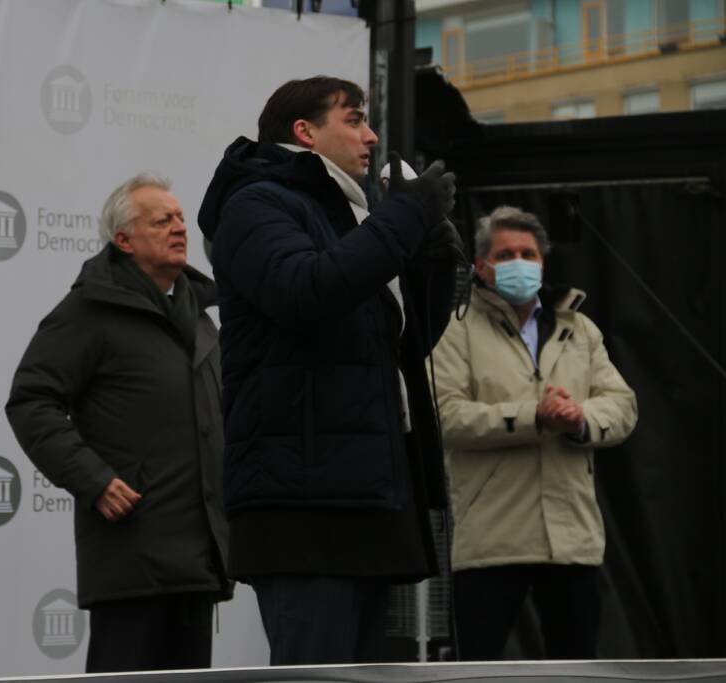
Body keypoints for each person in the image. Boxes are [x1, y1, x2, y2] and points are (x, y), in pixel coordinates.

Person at [197, 75, 460, 665]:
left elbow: (400, 345)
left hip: (363, 491)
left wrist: (434, 253)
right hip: (302, 502)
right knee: (314, 672)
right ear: (305, 132)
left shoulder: (352, 215)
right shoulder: (255, 203)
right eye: (355, 120)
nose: (371, 136)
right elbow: (305, 291)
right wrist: (404, 220)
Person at [6, 172, 231, 673]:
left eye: (179, 218)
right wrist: (94, 480)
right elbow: (30, 400)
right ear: (124, 239)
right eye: (161, 220)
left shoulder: (197, 312)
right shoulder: (89, 309)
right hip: (132, 556)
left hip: (197, 560)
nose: (179, 228)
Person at [431, 205, 638, 660]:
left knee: (576, 667)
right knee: (476, 669)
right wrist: (533, 418)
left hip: (570, 540)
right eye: (506, 255)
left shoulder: (579, 328)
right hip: (490, 540)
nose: (520, 262)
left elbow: (622, 405)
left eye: (529, 253)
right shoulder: (455, 331)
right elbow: (445, 416)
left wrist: (578, 419)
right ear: (482, 266)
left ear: (543, 262)